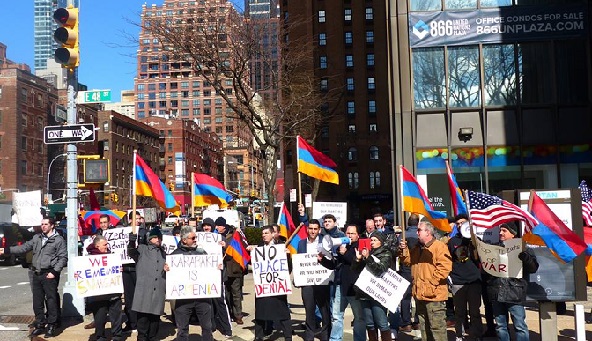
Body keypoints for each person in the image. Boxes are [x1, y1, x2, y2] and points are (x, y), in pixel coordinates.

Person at [1, 218, 67, 338]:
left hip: (49, 273)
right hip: (37, 273)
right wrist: (6, 250)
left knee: (51, 300)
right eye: (42, 224)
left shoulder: (58, 240)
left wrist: (54, 272)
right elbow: (24, 247)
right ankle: (40, 324)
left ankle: (52, 325)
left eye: (46, 224)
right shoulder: (37, 238)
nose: (43, 226)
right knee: (37, 301)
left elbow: (63, 258)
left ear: (52, 226)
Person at [399, 219, 452, 341]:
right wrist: (404, 250)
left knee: (437, 330)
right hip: (420, 296)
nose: (417, 233)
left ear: (428, 232)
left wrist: (431, 284)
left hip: (434, 297)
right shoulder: (417, 248)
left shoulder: (439, 247)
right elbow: (407, 261)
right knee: (424, 329)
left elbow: (444, 268)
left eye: (419, 230)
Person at [487, 222, 538, 341]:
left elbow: (533, 268)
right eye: (500, 230)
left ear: (513, 234)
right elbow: (487, 269)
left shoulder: (523, 248)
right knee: (500, 326)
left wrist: (527, 259)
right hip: (497, 291)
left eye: (504, 231)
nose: (500, 233)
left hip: (515, 292)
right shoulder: (494, 248)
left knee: (519, 326)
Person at [319, 223, 366, 341]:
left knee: (359, 317)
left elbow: (357, 263)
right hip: (340, 286)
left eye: (352, 233)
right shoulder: (342, 246)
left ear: (358, 235)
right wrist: (322, 260)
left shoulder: (359, 247)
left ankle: (359, 339)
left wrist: (344, 253)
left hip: (354, 288)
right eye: (348, 233)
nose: (349, 235)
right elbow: (335, 265)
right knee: (336, 316)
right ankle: (335, 339)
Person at [169, 226, 215, 341]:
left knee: (207, 328)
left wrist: (216, 268)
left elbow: (210, 271)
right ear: (184, 240)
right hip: (183, 299)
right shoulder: (175, 255)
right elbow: (168, 277)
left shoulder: (202, 253)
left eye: (196, 237)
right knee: (182, 330)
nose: (195, 240)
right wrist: (166, 270)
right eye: (193, 238)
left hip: (202, 298)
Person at [253, 226, 292, 341]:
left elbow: (288, 268)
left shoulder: (281, 247)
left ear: (272, 234)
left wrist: (288, 256)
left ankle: (288, 336)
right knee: (260, 312)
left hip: (277, 287)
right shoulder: (259, 248)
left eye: (266, 233)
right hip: (263, 286)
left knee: (283, 312)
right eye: (262, 233)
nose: (263, 235)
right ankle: (259, 336)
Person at [127, 227, 167, 341]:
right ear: (150, 238)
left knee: (154, 321)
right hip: (144, 290)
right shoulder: (142, 249)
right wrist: (131, 241)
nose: (157, 239)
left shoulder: (164, 253)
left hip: (158, 290)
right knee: (143, 321)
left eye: (159, 237)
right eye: (155, 237)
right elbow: (131, 252)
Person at [351, 231, 392, 341]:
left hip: (378, 294)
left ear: (381, 242)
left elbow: (379, 270)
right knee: (369, 324)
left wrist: (368, 257)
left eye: (375, 240)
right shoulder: (366, 252)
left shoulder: (385, 254)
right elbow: (354, 270)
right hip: (364, 293)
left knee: (382, 323)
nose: (372, 242)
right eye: (371, 240)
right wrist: (358, 259)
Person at [447, 222, 482, 341]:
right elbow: (448, 259)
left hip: (474, 281)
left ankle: (477, 335)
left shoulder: (476, 240)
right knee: (459, 312)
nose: (460, 225)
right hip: (458, 281)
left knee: (475, 311)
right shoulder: (452, 242)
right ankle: (459, 335)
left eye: (463, 222)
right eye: (458, 223)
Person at [298, 219, 331, 341]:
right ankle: (309, 335)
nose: (312, 231)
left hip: (322, 282)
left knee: (324, 310)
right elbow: (299, 262)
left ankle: (325, 334)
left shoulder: (325, 242)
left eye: (315, 229)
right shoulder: (301, 243)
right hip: (307, 283)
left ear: (319, 230)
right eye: (310, 228)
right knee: (309, 309)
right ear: (307, 229)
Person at [86, 235, 123, 341]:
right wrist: (78, 275)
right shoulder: (88, 258)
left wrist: (119, 269)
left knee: (116, 316)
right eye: (105, 244)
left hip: (113, 293)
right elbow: (83, 272)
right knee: (99, 317)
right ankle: (100, 336)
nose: (107, 246)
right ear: (97, 246)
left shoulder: (112, 256)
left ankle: (117, 336)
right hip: (98, 295)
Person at [122, 211, 148, 333]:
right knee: (129, 297)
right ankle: (131, 322)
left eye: (139, 218)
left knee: (140, 296)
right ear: (130, 220)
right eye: (135, 218)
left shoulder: (144, 232)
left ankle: (141, 321)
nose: (137, 221)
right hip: (126, 268)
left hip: (139, 268)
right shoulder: (121, 232)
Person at [397, 214, 419, 333]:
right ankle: (418, 321)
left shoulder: (403, 235)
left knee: (405, 297)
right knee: (418, 295)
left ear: (408, 223)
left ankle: (406, 323)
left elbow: (397, 250)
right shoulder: (420, 235)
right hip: (419, 268)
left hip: (406, 268)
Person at [214, 217, 233, 339]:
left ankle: (227, 328)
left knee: (221, 301)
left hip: (219, 275)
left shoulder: (225, 238)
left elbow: (232, 254)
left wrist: (225, 246)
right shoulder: (201, 239)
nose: (215, 228)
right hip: (205, 276)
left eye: (217, 225)